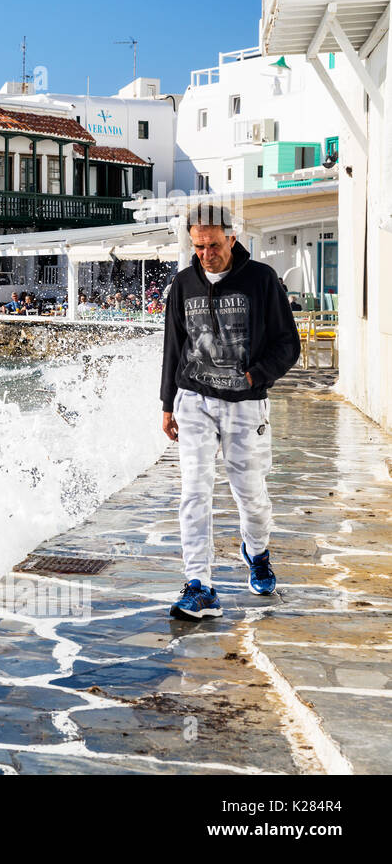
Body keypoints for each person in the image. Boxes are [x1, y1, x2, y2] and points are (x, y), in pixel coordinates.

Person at [161, 204, 300, 620]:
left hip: (245, 404)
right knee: (195, 491)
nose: (206, 254)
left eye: (214, 245)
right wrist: (167, 404)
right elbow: (173, 348)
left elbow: (288, 344)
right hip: (194, 400)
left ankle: (256, 552)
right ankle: (199, 585)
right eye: (199, 246)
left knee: (251, 495)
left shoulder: (261, 280)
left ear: (232, 238)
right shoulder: (183, 284)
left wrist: (257, 376)